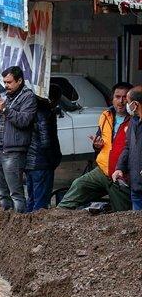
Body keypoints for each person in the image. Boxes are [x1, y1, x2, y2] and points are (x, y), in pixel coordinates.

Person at [58, 82, 132, 211]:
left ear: (131, 99)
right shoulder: (105, 115)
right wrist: (97, 146)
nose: (121, 101)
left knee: (123, 214)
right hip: (102, 171)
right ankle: (56, 216)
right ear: (112, 98)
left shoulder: (135, 120)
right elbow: (101, 142)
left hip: (122, 176)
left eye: (125, 97)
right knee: (79, 184)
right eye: (117, 97)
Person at [0, 66, 37, 213]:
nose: (6, 86)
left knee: (16, 193)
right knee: (1, 191)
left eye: (9, 82)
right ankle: (6, 223)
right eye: (4, 82)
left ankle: (19, 223)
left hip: (13, 151)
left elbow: (24, 121)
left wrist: (5, 109)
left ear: (19, 81)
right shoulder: (5, 95)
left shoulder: (28, 97)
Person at [24, 93, 61, 212]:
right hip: (41, 162)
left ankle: (28, 225)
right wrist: (53, 160)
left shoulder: (28, 111)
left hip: (29, 162)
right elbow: (46, 142)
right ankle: (36, 228)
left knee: (32, 198)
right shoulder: (43, 114)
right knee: (41, 203)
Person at [111, 86, 142, 211]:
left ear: (135, 104)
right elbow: (128, 147)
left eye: (128, 102)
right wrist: (119, 168)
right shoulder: (134, 121)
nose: (125, 105)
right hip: (136, 186)